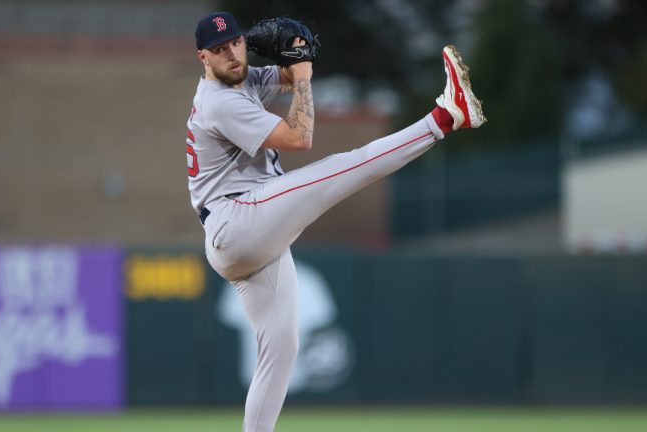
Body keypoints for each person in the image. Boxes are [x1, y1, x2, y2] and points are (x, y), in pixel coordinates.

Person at [186, 11, 485, 432]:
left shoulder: (242, 78)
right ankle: (445, 116)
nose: (232, 54)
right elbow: (300, 136)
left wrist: (297, 56)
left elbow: (289, 78)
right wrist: (303, 69)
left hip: (245, 236)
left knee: (282, 349)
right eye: (219, 50)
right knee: (343, 167)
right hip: (237, 220)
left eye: (234, 43)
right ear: (203, 57)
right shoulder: (220, 101)